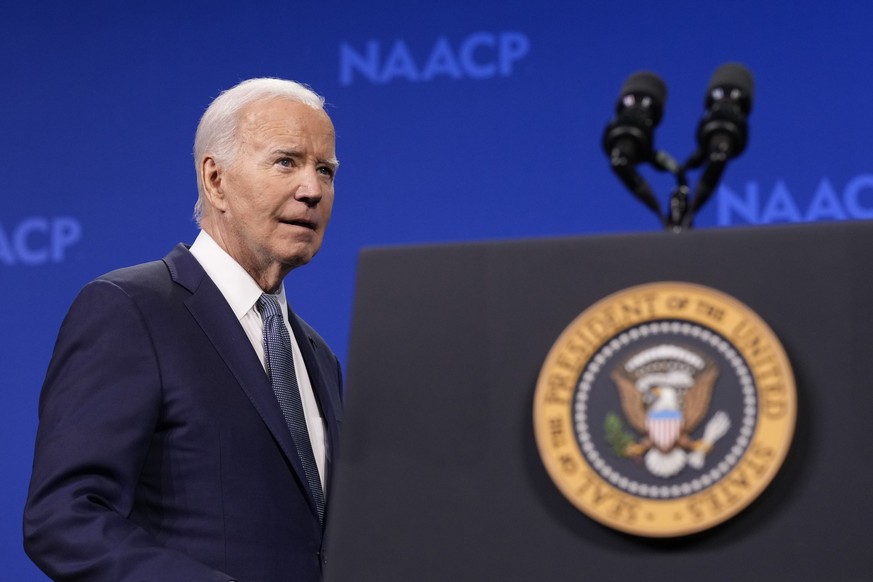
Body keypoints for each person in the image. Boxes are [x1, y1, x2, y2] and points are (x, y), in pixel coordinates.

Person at [23, 78, 343, 582]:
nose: (312, 190)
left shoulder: (319, 357)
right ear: (215, 180)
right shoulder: (131, 310)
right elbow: (64, 517)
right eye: (287, 162)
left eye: (325, 170)